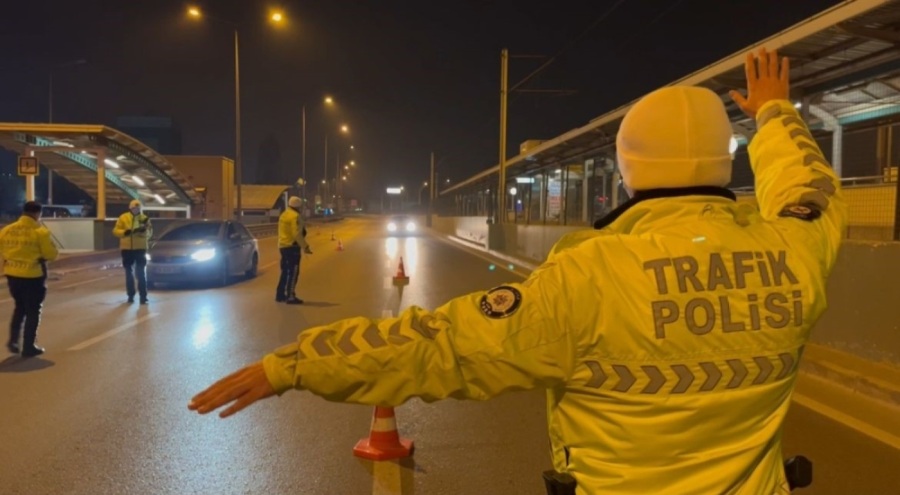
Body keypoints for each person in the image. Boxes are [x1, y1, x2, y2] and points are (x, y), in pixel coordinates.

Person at [189, 49, 847, 494]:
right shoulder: (791, 252)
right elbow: (812, 190)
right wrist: (776, 111)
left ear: (627, 171)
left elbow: (437, 346)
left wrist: (295, 364)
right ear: (724, 162)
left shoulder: (588, 277)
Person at [0, 201, 59, 357]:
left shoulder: (6, 230)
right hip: (32, 276)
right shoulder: (40, 232)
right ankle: (28, 346)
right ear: (37, 213)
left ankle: (13, 340)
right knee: (33, 311)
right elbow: (51, 254)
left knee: (19, 307)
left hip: (12, 275)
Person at [113, 199, 152, 304]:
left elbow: (149, 233)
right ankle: (130, 295)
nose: (136, 210)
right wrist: (125, 232)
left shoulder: (144, 218)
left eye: (138, 208)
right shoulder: (123, 217)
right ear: (130, 208)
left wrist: (142, 233)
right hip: (126, 249)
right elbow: (116, 231)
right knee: (128, 272)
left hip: (140, 248)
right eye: (134, 208)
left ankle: (143, 296)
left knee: (140, 272)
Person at [275, 196, 313, 304]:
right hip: (292, 247)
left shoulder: (284, 214)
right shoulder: (295, 216)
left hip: (282, 246)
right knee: (293, 272)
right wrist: (305, 246)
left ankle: (280, 294)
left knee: (285, 271)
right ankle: (291, 296)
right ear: (298, 207)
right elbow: (297, 234)